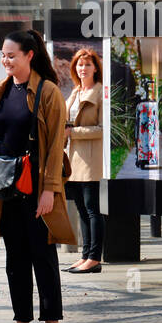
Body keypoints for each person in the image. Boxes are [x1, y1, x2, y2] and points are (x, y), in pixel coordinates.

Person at [0, 29, 75, 323]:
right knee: (15, 257)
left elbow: (57, 145)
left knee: (42, 254)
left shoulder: (47, 92)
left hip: (36, 188)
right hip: (4, 188)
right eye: (3, 55)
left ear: (30, 55)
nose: (6, 61)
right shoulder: (0, 92)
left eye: (12, 55)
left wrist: (50, 190)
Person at [63, 49, 105, 274]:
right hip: (73, 159)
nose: (83, 68)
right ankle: (85, 255)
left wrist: (74, 132)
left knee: (92, 210)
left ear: (95, 68)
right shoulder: (76, 91)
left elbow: (102, 129)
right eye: (79, 65)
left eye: (87, 64)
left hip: (90, 160)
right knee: (81, 209)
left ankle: (95, 257)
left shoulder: (100, 93)